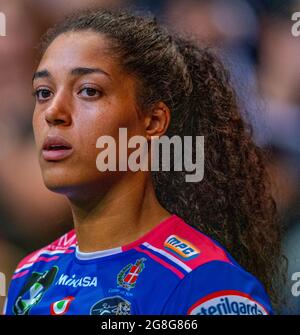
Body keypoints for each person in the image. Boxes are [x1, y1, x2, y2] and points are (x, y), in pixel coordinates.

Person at [4, 8, 283, 315]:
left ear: (152, 122)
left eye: (88, 91)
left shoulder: (206, 286)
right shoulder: (30, 276)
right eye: (43, 92)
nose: (52, 112)